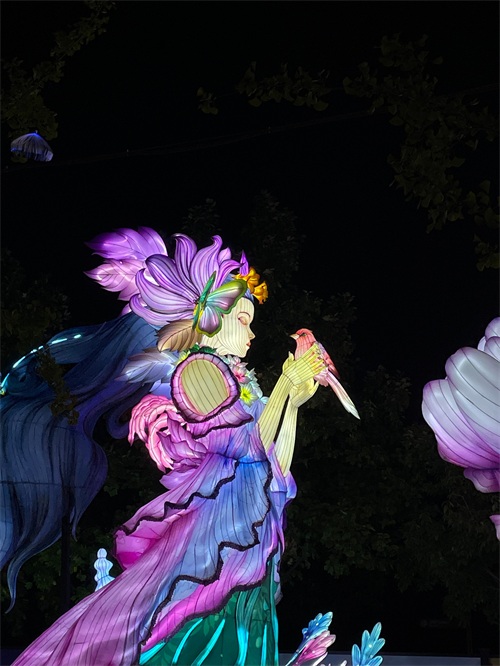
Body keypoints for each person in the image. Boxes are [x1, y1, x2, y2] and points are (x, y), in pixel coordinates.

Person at [6, 227, 338, 666]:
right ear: (210, 320)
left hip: (251, 534)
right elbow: (244, 444)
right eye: (243, 320)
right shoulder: (198, 373)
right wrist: (283, 387)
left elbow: (275, 469)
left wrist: (292, 402)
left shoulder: (248, 386)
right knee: (195, 630)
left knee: (243, 630)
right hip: (214, 536)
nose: (253, 334)